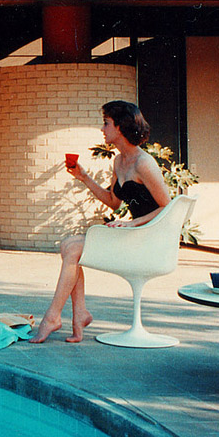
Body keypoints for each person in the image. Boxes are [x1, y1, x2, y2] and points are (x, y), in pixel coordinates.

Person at [30, 101, 170, 344]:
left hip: (150, 241)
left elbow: (168, 207)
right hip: (135, 235)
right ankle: (79, 315)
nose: (102, 129)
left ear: (121, 127)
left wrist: (131, 225)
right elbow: (113, 202)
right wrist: (83, 177)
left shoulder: (143, 163)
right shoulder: (119, 161)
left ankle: (53, 317)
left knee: (73, 248)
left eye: (106, 123)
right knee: (69, 245)